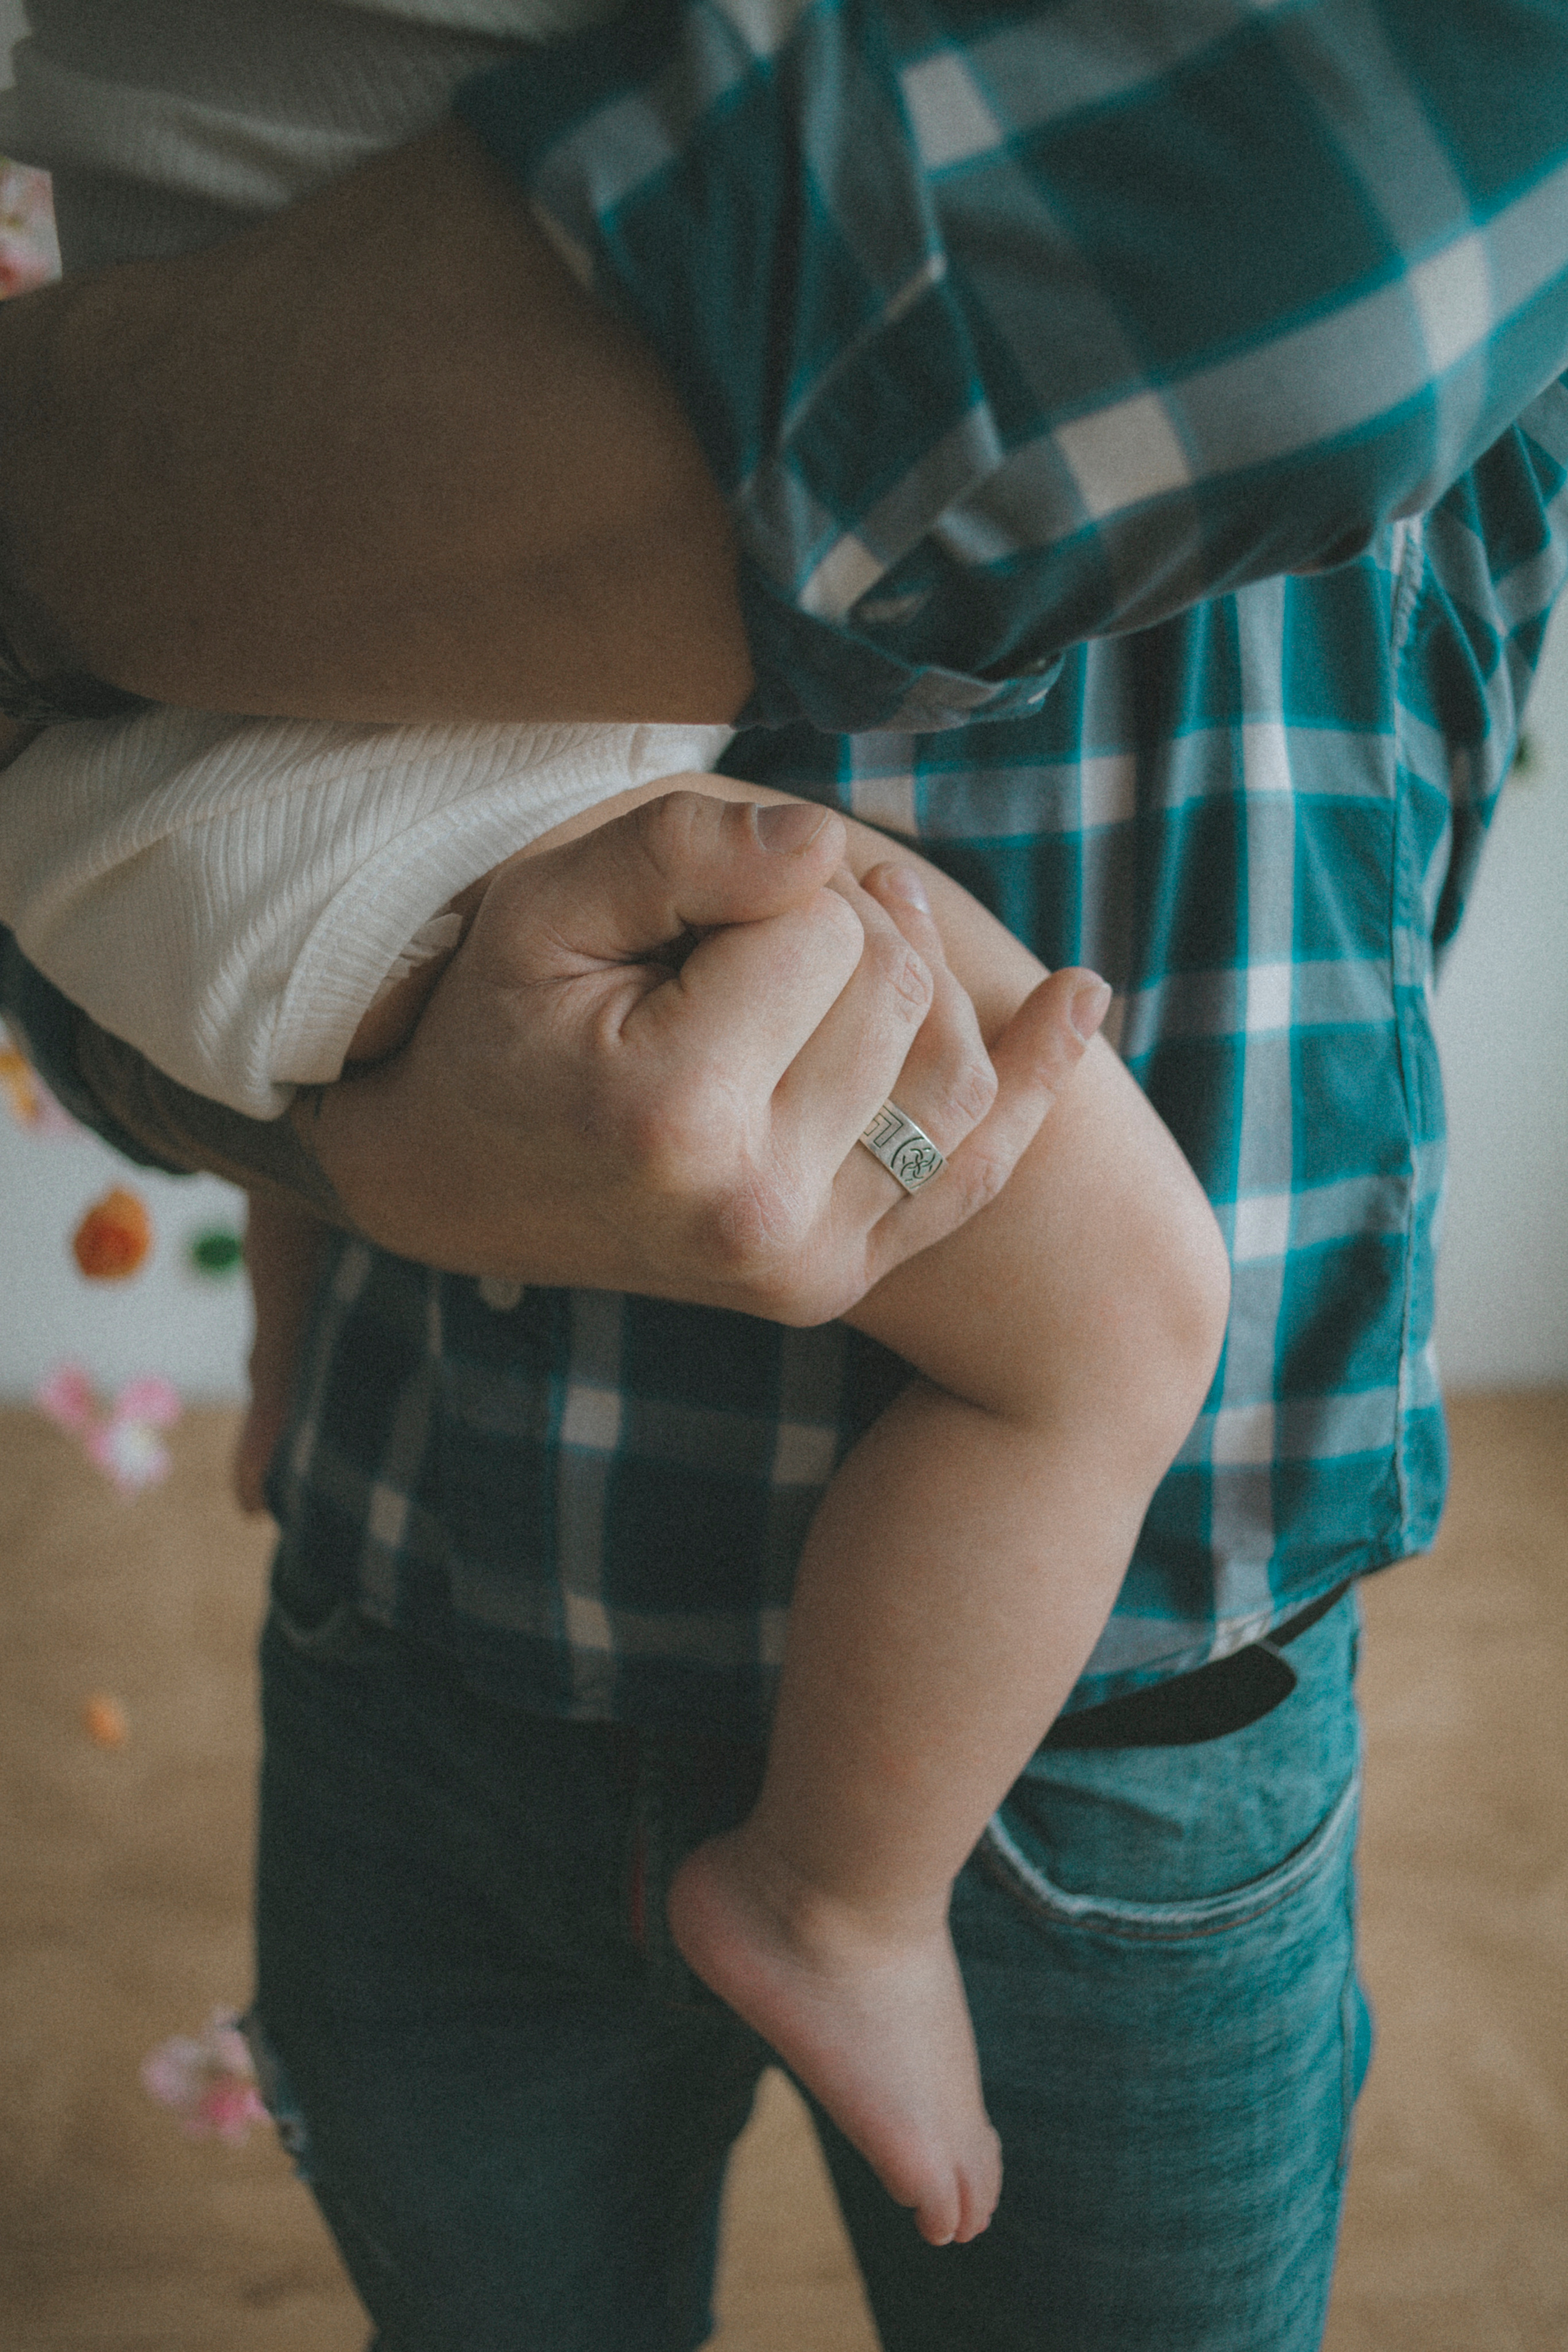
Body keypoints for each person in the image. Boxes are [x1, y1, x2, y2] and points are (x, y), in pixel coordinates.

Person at [2, 2, 1567, 2345]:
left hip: (1088, 1709)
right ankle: (837, 1896)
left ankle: (314, 1339)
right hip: (448, 1597)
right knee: (1125, 1301)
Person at [0, 679, 1228, 2243]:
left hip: (137, 815)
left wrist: (287, 1359)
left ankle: (280, 1366)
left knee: (342, 1060)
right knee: (1124, 1316)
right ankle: (832, 1903)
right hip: (364, 815)